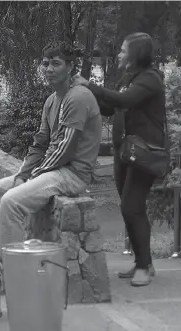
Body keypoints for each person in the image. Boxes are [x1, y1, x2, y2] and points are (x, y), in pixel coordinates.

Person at [0, 41, 102, 293]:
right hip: (52, 171)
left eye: (56, 63)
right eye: (46, 63)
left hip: (72, 173)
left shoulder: (78, 97)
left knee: (11, 201)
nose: (49, 69)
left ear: (71, 67)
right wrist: (22, 175)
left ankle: (12, 275)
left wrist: (32, 177)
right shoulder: (52, 100)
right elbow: (40, 144)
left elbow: (66, 149)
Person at [72, 32, 165, 287]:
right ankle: (142, 262)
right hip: (125, 152)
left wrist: (90, 85)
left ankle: (144, 266)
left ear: (136, 54)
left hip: (145, 153)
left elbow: (125, 100)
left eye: (124, 50)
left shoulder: (150, 79)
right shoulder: (130, 78)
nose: (119, 54)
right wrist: (86, 98)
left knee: (131, 207)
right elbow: (113, 107)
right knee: (130, 208)